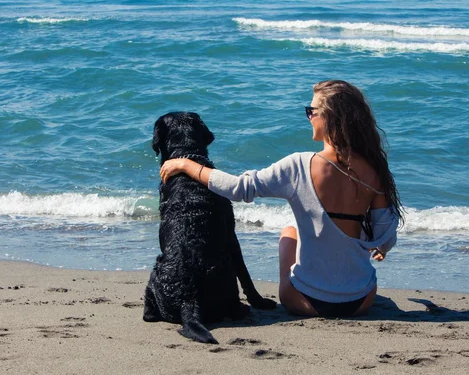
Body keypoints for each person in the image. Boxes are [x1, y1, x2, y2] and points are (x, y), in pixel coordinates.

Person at [159, 80, 404, 317]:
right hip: (361, 301)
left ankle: (308, 282)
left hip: (305, 301)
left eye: (311, 111)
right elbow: (385, 233)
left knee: (290, 231)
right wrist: (382, 248)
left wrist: (187, 164)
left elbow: (240, 188)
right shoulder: (374, 170)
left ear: (329, 117)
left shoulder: (299, 165)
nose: (308, 117)